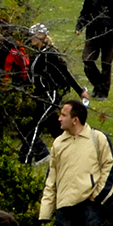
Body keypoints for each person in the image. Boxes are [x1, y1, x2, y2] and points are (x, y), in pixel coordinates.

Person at [38, 98, 113, 226]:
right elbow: (51, 178)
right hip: (64, 204)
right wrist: (45, 210)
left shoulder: (97, 138)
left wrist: (97, 195)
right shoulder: (58, 143)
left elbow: (110, 167)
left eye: (64, 114)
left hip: (89, 202)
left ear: (75, 119)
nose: (59, 118)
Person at [21, 24, 83, 165]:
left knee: (34, 125)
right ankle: (74, 152)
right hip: (39, 96)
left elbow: (65, 73)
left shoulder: (50, 54)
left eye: (33, 35)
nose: (30, 38)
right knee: (55, 128)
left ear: (42, 36)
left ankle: (28, 158)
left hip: (49, 96)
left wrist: (80, 91)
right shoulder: (37, 54)